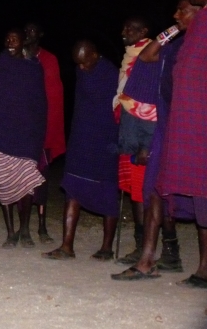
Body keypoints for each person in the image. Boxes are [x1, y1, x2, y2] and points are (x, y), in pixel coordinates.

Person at [112, 0, 200, 280]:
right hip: (162, 126)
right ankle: (152, 256)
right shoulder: (176, 45)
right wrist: (174, 29)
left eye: (182, 10)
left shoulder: (196, 46)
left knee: (167, 193)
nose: (175, 14)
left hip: (181, 126)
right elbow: (148, 56)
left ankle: (170, 254)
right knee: (154, 191)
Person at [154, 0, 207, 288]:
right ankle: (204, 269)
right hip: (194, 125)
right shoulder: (202, 21)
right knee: (203, 199)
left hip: (203, 124)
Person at [42, 41, 119, 261]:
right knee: (72, 188)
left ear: (94, 54)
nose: (82, 67)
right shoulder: (82, 70)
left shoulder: (111, 74)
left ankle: (106, 248)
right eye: (78, 63)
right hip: (81, 141)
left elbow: (117, 109)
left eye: (84, 62)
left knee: (107, 193)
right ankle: (67, 246)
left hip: (105, 143)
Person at [0, 28, 47, 248]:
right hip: (0, 133)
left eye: (15, 39)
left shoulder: (33, 68)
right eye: (7, 39)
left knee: (26, 182)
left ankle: (25, 230)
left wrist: (38, 133)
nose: (10, 43)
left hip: (26, 135)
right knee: (2, 181)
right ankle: (11, 232)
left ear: (23, 42)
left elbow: (40, 104)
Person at [113, 17, 154, 264]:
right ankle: (142, 247)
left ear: (144, 31)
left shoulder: (150, 56)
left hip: (143, 137)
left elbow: (152, 104)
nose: (124, 31)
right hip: (130, 133)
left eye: (131, 29)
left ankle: (148, 250)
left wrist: (146, 145)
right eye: (125, 27)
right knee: (134, 194)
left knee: (142, 196)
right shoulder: (131, 55)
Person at [24, 22, 66, 243]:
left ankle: (41, 225)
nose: (29, 34)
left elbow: (54, 98)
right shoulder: (17, 56)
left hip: (42, 129)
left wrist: (49, 132)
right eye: (26, 30)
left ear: (40, 34)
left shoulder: (49, 59)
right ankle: (22, 227)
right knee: (20, 176)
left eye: (33, 31)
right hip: (22, 129)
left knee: (41, 178)